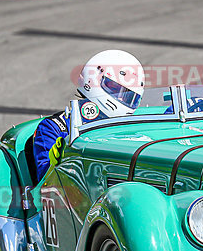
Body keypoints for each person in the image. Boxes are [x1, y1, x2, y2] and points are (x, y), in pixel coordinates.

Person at [33, 49, 145, 181]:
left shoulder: (129, 128)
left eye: (128, 97)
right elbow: (46, 182)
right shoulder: (55, 128)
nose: (120, 99)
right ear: (93, 79)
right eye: (115, 89)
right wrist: (63, 158)